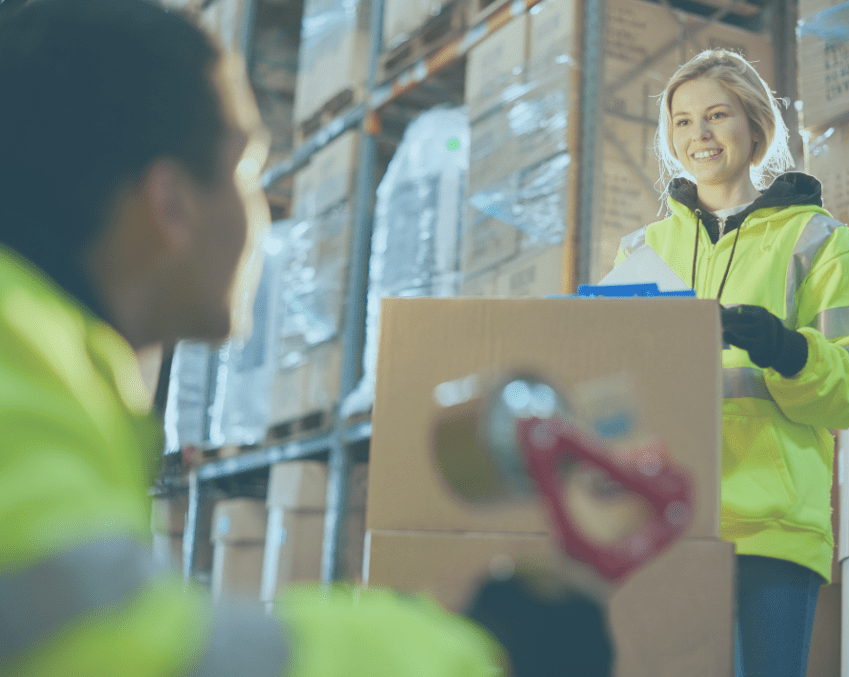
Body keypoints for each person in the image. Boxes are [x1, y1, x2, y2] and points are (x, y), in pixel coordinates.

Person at [0, 1, 611, 674]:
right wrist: (470, 648)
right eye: (247, 172)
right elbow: (130, 653)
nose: (259, 216)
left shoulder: (50, 367)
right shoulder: (19, 376)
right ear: (170, 204)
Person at [614, 50, 849, 677]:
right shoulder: (642, 252)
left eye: (717, 115)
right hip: (666, 524)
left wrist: (786, 350)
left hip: (772, 528)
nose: (699, 135)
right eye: (682, 121)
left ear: (754, 124)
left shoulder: (820, 242)